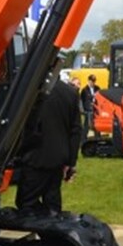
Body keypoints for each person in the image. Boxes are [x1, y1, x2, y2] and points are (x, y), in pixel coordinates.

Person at [14, 69, 84, 215]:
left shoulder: (33, 91)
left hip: (35, 156)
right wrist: (71, 162)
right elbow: (76, 130)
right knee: (52, 201)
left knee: (26, 202)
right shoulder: (70, 93)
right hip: (59, 157)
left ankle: (47, 225)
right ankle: (53, 224)